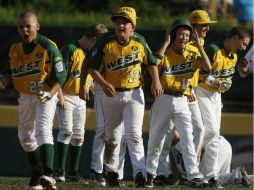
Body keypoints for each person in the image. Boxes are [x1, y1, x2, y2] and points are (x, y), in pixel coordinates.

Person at [85, 6, 163, 187]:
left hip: (134, 93)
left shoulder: (140, 41)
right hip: (110, 94)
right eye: (118, 22)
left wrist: (156, 81)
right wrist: (103, 84)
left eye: (125, 22)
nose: (121, 25)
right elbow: (92, 68)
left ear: (133, 27)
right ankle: (112, 172)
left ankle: (140, 173)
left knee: (134, 134)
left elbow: (151, 62)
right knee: (112, 137)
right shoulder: (105, 41)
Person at [0, 11, 67, 190]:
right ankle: (38, 173)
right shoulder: (14, 49)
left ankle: (49, 174)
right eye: (21, 26)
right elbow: (8, 72)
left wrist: (51, 94)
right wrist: (4, 80)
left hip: (43, 91)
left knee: (43, 129)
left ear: (37, 27)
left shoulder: (47, 46)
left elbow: (61, 75)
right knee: (24, 136)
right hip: (24, 94)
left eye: (28, 26)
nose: (25, 30)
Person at [146, 18, 211, 188]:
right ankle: (150, 174)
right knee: (156, 139)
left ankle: (193, 175)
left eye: (187, 35)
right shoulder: (165, 52)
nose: (184, 37)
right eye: (181, 34)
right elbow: (153, 63)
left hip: (183, 99)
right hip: (164, 98)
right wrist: (166, 41)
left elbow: (207, 68)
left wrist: (199, 46)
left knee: (188, 138)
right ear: (174, 35)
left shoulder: (193, 52)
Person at [195, 26, 251, 187]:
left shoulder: (233, 57)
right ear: (234, 39)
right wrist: (215, 82)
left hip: (215, 96)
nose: (244, 48)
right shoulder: (213, 49)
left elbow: (226, 80)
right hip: (202, 92)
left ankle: (211, 175)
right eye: (244, 43)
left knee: (215, 134)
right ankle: (197, 172)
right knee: (211, 131)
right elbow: (198, 73)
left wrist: (222, 84)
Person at [54, 23, 108, 183]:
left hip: (80, 99)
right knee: (66, 130)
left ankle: (72, 172)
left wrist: (93, 90)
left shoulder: (92, 52)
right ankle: (60, 171)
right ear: (94, 38)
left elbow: (87, 77)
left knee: (78, 135)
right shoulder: (70, 49)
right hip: (66, 95)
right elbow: (59, 76)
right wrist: (60, 97)